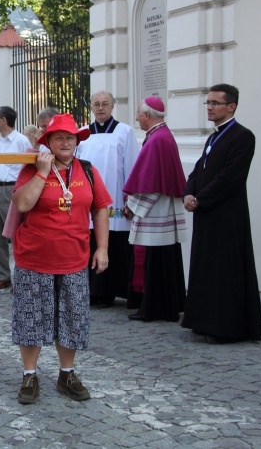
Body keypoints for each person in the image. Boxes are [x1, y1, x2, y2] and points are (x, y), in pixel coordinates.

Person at [11, 113, 112, 404]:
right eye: (59, 138)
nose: (65, 142)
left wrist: (102, 248)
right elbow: (22, 203)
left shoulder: (88, 170)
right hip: (34, 258)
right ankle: (29, 375)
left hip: (74, 259)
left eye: (70, 137)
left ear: (77, 141)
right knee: (31, 319)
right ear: (49, 142)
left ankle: (66, 373)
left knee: (71, 319)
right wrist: (43, 172)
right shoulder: (33, 168)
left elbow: (101, 209)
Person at [181, 84, 261, 343]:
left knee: (224, 270)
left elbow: (231, 177)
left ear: (231, 106)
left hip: (227, 215)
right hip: (207, 212)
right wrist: (188, 192)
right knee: (206, 268)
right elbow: (199, 170)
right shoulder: (214, 136)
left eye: (215, 103)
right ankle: (203, 321)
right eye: (207, 103)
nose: (209, 107)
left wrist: (201, 199)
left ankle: (225, 327)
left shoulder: (242, 136)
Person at [123, 97, 187, 322]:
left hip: (155, 211)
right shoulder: (160, 135)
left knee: (156, 259)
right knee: (160, 258)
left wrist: (132, 206)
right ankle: (161, 305)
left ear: (147, 116)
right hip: (159, 208)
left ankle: (156, 307)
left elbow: (150, 183)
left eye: (139, 115)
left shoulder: (157, 140)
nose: (137, 119)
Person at [76, 91, 140, 307]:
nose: (100, 108)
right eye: (96, 104)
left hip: (116, 199)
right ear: (91, 108)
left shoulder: (125, 132)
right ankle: (92, 290)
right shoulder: (83, 134)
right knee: (90, 240)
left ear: (113, 106)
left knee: (113, 242)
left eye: (105, 104)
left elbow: (132, 166)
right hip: (87, 197)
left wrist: (131, 199)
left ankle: (111, 290)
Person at [0, 106, 32, 291]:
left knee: (16, 235)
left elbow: (27, 167)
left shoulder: (22, 141)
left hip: (11, 189)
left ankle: (21, 276)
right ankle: (4, 276)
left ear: (4, 120)